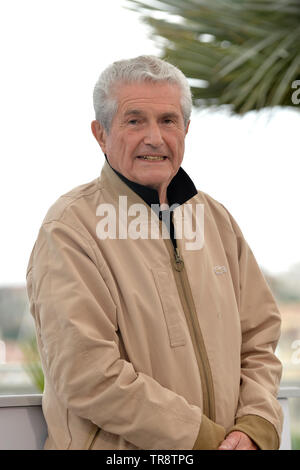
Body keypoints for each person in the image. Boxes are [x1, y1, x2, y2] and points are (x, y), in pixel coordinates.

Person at [26, 55, 283, 450]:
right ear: (100, 134)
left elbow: (259, 339)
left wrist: (255, 426)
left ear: (186, 129)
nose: (155, 138)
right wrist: (204, 440)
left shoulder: (216, 220)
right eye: (134, 121)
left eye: (167, 121)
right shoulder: (69, 228)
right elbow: (87, 373)